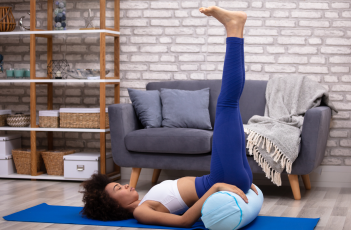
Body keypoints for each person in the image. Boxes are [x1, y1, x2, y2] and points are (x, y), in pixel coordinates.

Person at [80, 6, 258, 228]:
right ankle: (234, 29)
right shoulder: (142, 213)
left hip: (223, 176)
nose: (125, 185)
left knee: (229, 104)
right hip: (221, 180)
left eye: (120, 185)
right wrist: (215, 188)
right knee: (227, 104)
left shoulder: (146, 201)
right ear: (114, 205)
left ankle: (235, 27)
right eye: (118, 189)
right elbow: (184, 222)